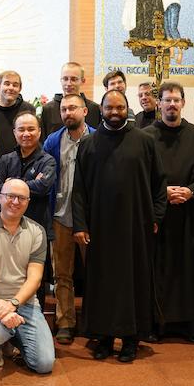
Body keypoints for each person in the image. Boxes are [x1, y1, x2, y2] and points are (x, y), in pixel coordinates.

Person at [73, 90, 166, 362]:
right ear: (100, 110)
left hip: (136, 225)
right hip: (100, 227)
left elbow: (160, 183)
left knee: (133, 282)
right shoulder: (88, 144)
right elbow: (79, 189)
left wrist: (157, 217)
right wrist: (80, 225)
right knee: (102, 283)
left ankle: (130, 339)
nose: (115, 112)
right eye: (109, 108)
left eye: (120, 107)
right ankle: (102, 337)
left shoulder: (145, 141)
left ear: (128, 108)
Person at [143, 82, 194, 343]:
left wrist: (191, 191)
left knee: (188, 270)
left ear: (183, 103)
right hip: (159, 215)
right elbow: (141, 175)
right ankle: (157, 325)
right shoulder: (146, 136)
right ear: (158, 103)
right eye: (167, 100)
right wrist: (164, 192)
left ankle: (191, 326)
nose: (172, 104)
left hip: (189, 214)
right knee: (159, 269)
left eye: (176, 100)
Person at [0, 179, 55, 373]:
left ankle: (13, 337)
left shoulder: (37, 232)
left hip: (25, 304)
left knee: (44, 364)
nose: (15, 202)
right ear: (0, 197)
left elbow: (35, 279)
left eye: (21, 198)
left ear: (28, 201)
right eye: (10, 196)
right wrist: (2, 308)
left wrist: (14, 304)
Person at [43, 93, 95, 345]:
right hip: (60, 216)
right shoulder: (53, 140)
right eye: (64, 109)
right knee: (62, 273)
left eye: (73, 108)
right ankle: (65, 322)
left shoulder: (97, 138)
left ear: (84, 111)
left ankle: (95, 321)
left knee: (96, 271)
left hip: (89, 219)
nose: (67, 113)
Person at [0, 112, 57, 301]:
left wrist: (11, 184)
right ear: (14, 132)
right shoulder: (6, 160)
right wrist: (29, 184)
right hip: (5, 229)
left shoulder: (48, 160)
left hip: (37, 226)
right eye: (21, 129)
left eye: (31, 129)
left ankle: (36, 319)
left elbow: (43, 187)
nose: (26, 133)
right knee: (4, 273)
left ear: (39, 131)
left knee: (36, 276)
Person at [0, 70, 36, 213]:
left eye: (15, 85)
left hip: (23, 173)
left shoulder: (28, 110)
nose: (11, 88)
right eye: (7, 83)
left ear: (20, 89)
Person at [39, 62, 102, 138]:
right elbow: (43, 139)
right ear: (60, 80)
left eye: (74, 79)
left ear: (83, 81)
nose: (68, 83)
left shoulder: (94, 108)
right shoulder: (49, 109)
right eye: (65, 79)